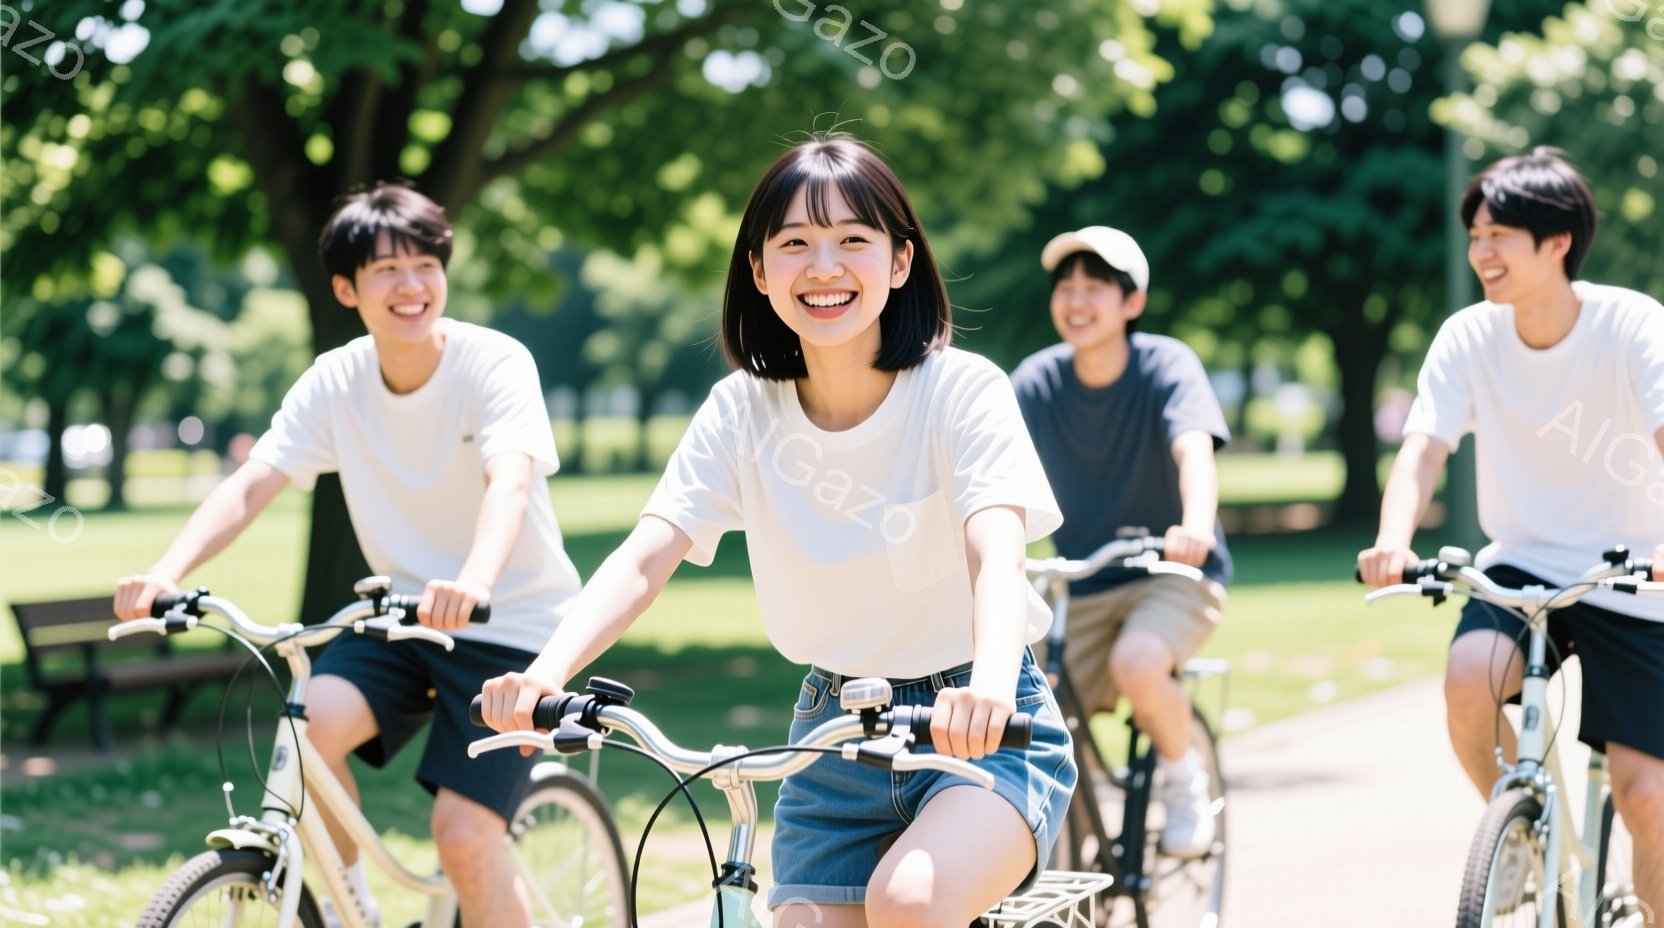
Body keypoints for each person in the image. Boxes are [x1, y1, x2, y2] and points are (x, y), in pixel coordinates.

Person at [479, 134, 1075, 928]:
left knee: (910, 901)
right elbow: (646, 555)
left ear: (900, 261)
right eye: (795, 244)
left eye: (853, 240)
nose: (823, 267)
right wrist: (543, 675)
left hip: (977, 723)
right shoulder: (741, 411)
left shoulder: (961, 391)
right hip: (831, 733)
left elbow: (996, 554)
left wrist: (991, 689)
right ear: (759, 271)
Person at [114, 183, 581, 928]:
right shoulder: (335, 381)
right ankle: (351, 910)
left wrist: (474, 579)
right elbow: (252, 484)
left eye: (425, 264)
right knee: (305, 733)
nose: (411, 285)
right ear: (346, 288)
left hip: (513, 627)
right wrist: (167, 573)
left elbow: (510, 482)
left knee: (464, 841)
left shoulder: (494, 362)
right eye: (386, 270)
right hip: (398, 620)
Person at [1356, 148, 1664, 915]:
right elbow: (1422, 448)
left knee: (1648, 796)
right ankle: (1526, 833)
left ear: (1557, 242)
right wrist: (1392, 539)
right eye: (1475, 236)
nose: (1481, 252)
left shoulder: (1632, 324)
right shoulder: (1468, 336)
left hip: (1636, 576)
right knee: (1469, 680)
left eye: (1499, 235)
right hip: (1523, 564)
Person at [1010, 226, 1231, 859]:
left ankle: (1184, 780)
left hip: (1174, 574)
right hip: (1081, 583)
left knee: (1136, 662)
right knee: (1029, 708)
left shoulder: (1165, 364)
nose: (1076, 300)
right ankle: (1062, 854)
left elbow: (1194, 448)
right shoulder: (1037, 380)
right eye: (1066, 287)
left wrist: (1195, 524)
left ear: (1132, 302)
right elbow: (992, 466)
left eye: (1095, 287)